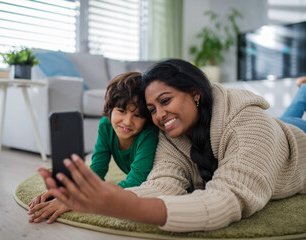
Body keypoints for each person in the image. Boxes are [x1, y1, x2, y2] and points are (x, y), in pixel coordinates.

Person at [36, 59, 306, 232]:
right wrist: (93, 196)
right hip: (278, 127)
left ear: (195, 94)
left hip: (296, 143)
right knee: (287, 116)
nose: (159, 115)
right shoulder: (169, 135)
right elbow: (163, 183)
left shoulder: (249, 122)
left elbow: (228, 198)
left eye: (166, 101)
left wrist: (121, 206)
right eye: (152, 108)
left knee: (290, 121)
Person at [28, 72, 159, 224]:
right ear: (111, 109)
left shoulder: (148, 134)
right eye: (121, 111)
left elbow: (135, 184)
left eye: (137, 115)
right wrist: (70, 191)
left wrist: (79, 199)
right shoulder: (106, 125)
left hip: (153, 183)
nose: (127, 122)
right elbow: (97, 170)